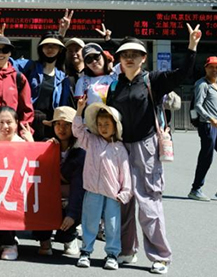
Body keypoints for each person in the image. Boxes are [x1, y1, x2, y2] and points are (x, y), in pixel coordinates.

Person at [105, 26, 200, 275]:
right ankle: (127, 250)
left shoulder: (153, 80)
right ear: (119, 58)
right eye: (125, 54)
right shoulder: (114, 86)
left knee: (149, 202)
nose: (129, 58)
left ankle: (161, 256)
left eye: (135, 54)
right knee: (123, 200)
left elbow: (182, 74)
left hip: (145, 147)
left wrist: (192, 47)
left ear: (144, 58)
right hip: (121, 147)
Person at [73, 96, 132, 270]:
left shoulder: (119, 148)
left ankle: (112, 254)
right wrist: (79, 110)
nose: (103, 127)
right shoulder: (91, 141)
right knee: (89, 222)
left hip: (113, 193)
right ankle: (86, 251)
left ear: (115, 126)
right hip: (92, 190)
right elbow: (77, 131)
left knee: (112, 225)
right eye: (100, 124)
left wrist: (125, 192)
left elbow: (125, 172)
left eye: (107, 124)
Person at [0, 106, 34, 260]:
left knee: (6, 211)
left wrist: (32, 145)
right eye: (1, 122)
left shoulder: (23, 143)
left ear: (16, 123)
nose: (5, 126)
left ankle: (10, 244)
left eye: (9, 122)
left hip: (14, 193)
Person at [35, 106, 85, 257]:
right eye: (58, 124)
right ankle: (44, 239)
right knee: (37, 204)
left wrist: (72, 214)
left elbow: (78, 186)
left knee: (79, 208)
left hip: (70, 198)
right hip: (48, 198)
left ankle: (69, 238)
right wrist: (46, 150)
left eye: (67, 125)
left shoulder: (80, 152)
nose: (61, 129)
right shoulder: (46, 145)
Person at [12, 32, 72, 141]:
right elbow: (8, 63)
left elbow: (63, 106)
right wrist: (2, 42)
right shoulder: (30, 66)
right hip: (29, 121)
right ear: (41, 48)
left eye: (54, 46)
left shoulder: (63, 77)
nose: (50, 49)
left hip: (50, 124)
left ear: (60, 50)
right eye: (47, 45)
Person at [188, 56, 217, 201]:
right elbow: (198, 105)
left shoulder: (216, 85)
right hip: (208, 125)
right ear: (206, 68)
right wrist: (210, 118)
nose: (214, 70)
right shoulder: (202, 84)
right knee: (206, 158)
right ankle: (195, 189)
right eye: (211, 67)